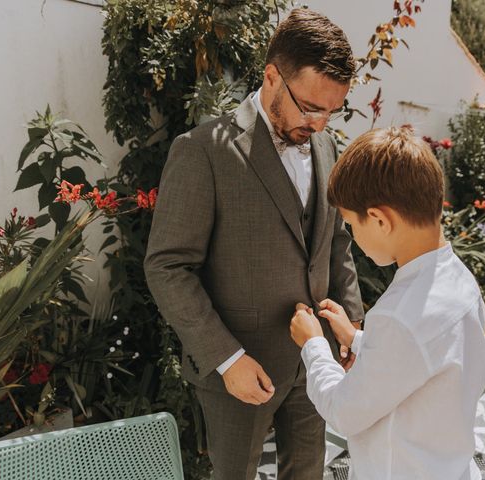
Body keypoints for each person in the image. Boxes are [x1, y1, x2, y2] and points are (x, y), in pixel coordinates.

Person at [144, 8, 364, 480]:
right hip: (237, 371)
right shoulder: (202, 150)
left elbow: (336, 240)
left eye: (333, 109)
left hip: (315, 360)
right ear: (270, 76)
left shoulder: (326, 146)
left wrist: (351, 320)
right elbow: (167, 267)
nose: (322, 124)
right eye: (310, 107)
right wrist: (226, 358)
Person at [290, 127, 485, 480]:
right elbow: (423, 357)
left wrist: (314, 345)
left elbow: (344, 410)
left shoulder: (399, 315)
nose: (351, 235)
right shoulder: (459, 281)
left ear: (380, 220)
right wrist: (356, 339)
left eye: (351, 224)